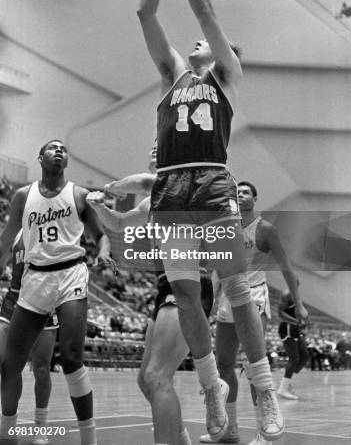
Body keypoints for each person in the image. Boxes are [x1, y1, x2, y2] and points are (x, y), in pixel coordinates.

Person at [137, 0, 284, 442]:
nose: (199, 41)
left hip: (211, 185)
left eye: (212, 42)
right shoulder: (172, 74)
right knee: (185, 294)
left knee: (237, 289)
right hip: (172, 189)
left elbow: (205, 13)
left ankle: (263, 386)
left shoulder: (227, 76)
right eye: (197, 42)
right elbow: (145, 13)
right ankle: (208, 390)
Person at [87, 152, 214, 445]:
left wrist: (113, 186)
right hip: (164, 287)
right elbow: (118, 223)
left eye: (162, 145)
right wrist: (97, 206)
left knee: (158, 376)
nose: (155, 149)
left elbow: (145, 183)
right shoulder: (151, 201)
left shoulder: (184, 183)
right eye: (153, 148)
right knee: (146, 380)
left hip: (189, 283)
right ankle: (181, 439)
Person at [0, 139, 114, 445]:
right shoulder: (23, 196)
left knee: (72, 357)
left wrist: (103, 253)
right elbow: (6, 239)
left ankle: (88, 439)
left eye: (63, 148)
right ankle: (8, 433)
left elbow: (102, 236)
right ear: (40, 157)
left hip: (70, 273)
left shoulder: (78, 195)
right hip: (34, 279)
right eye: (52, 147)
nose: (59, 150)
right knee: (10, 364)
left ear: (66, 161)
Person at [199, 180, 308, 444]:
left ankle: (264, 432)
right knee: (223, 365)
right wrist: (211, 301)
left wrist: (300, 303)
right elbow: (215, 267)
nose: (240, 194)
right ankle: (230, 430)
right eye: (238, 191)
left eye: (246, 191)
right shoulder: (224, 228)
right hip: (227, 296)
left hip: (254, 296)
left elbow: (286, 268)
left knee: (252, 365)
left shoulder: (265, 229)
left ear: (255, 199)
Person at [0, 230, 58, 445]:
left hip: (43, 302)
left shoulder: (54, 229)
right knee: (7, 365)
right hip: (13, 301)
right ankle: (8, 426)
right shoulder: (16, 232)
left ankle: (41, 428)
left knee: (42, 369)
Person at [277, 288, 309, 399]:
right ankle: (283, 388)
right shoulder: (286, 294)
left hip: (295, 329)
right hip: (287, 328)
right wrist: (296, 321)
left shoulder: (297, 296)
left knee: (304, 356)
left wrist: (304, 323)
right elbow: (280, 313)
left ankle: (286, 380)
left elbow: (300, 313)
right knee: (294, 358)